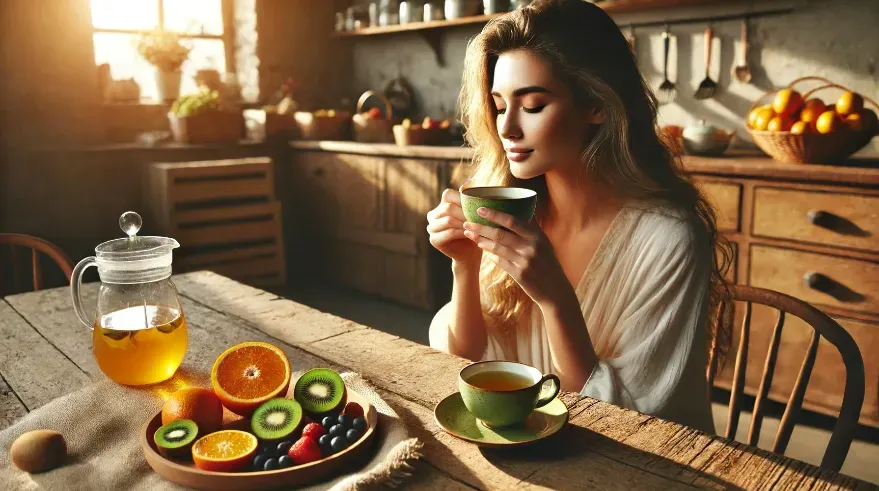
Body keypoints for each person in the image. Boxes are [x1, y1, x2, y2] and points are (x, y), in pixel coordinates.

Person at [426, 0, 732, 433]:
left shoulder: (669, 238)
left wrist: (555, 299)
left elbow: (628, 423)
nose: (507, 128)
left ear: (598, 106)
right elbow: (466, 362)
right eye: (498, 105)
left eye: (532, 106)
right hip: (524, 450)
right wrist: (464, 265)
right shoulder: (514, 213)